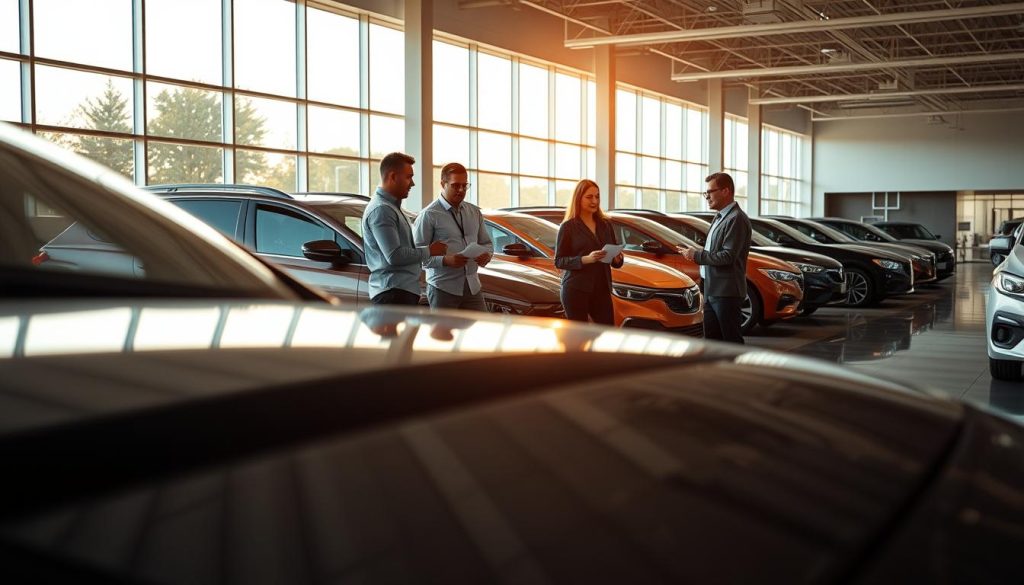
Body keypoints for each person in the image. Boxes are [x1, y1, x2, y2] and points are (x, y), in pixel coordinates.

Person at [361, 152, 446, 305]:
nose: (412, 183)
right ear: (393, 176)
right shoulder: (382, 210)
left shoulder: (392, 208)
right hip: (393, 293)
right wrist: (429, 251)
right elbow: (394, 255)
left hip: (399, 291)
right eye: (408, 177)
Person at [681, 172, 752, 343]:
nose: (707, 197)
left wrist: (696, 255)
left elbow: (727, 256)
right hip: (712, 289)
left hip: (726, 292)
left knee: (731, 341)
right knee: (713, 341)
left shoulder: (736, 219)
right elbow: (715, 251)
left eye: (710, 192)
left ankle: (734, 370)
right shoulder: (720, 216)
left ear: (726, 191)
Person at [413, 162, 493, 311]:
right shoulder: (428, 215)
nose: (461, 190)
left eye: (465, 185)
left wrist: (487, 255)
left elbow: (487, 243)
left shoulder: (474, 212)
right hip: (443, 289)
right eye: (456, 185)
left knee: (479, 332)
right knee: (443, 334)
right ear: (443, 184)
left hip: (473, 287)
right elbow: (418, 257)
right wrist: (445, 260)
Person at [554, 179, 624, 325]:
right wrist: (586, 259)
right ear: (578, 198)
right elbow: (559, 261)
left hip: (602, 288)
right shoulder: (568, 227)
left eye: (597, 196)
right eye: (589, 197)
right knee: (579, 336)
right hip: (576, 288)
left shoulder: (605, 225)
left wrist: (617, 259)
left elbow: (615, 259)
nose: (594, 201)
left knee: (606, 333)